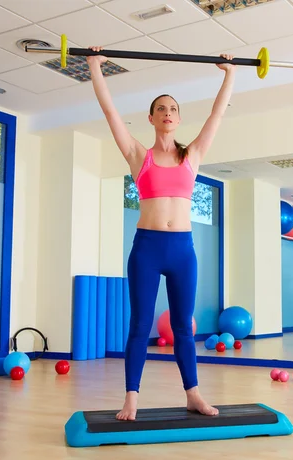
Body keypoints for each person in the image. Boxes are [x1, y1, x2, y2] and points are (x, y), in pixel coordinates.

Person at [86, 47, 237, 421]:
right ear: (152, 118)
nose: (168, 113)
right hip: (148, 248)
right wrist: (94, 68)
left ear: (178, 118)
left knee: (184, 327)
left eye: (173, 109)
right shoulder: (139, 156)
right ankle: (132, 398)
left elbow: (218, 115)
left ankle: (194, 395)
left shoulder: (193, 155)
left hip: (182, 250)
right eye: (162, 109)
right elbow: (110, 113)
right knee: (139, 324)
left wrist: (229, 74)